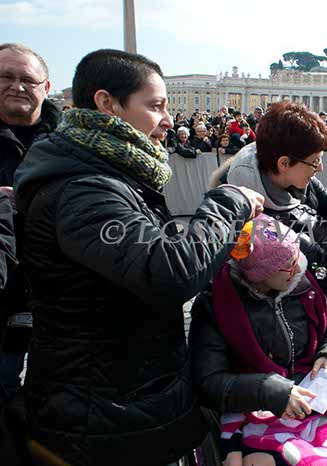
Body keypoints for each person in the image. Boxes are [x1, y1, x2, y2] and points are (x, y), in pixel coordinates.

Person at [13, 48, 264, 466]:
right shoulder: (85, 188)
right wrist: (228, 202)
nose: (168, 120)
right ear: (107, 103)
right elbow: (168, 272)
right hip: (100, 413)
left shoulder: (110, 174)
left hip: (122, 397)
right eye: (155, 106)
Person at [189, 216, 327, 466]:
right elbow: (208, 381)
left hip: (314, 400)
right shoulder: (216, 303)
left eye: (296, 257)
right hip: (255, 407)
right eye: (286, 265)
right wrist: (272, 391)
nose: (298, 268)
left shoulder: (304, 285)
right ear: (258, 273)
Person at [225, 102, 327, 337]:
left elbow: (324, 197)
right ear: (284, 163)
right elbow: (326, 271)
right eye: (315, 161)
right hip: (307, 321)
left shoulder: (284, 173)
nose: (320, 168)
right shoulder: (261, 221)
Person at [0, 43, 61, 404]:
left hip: (59, 298)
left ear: (46, 87)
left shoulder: (71, 141)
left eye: (27, 79)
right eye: (5, 77)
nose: (17, 86)